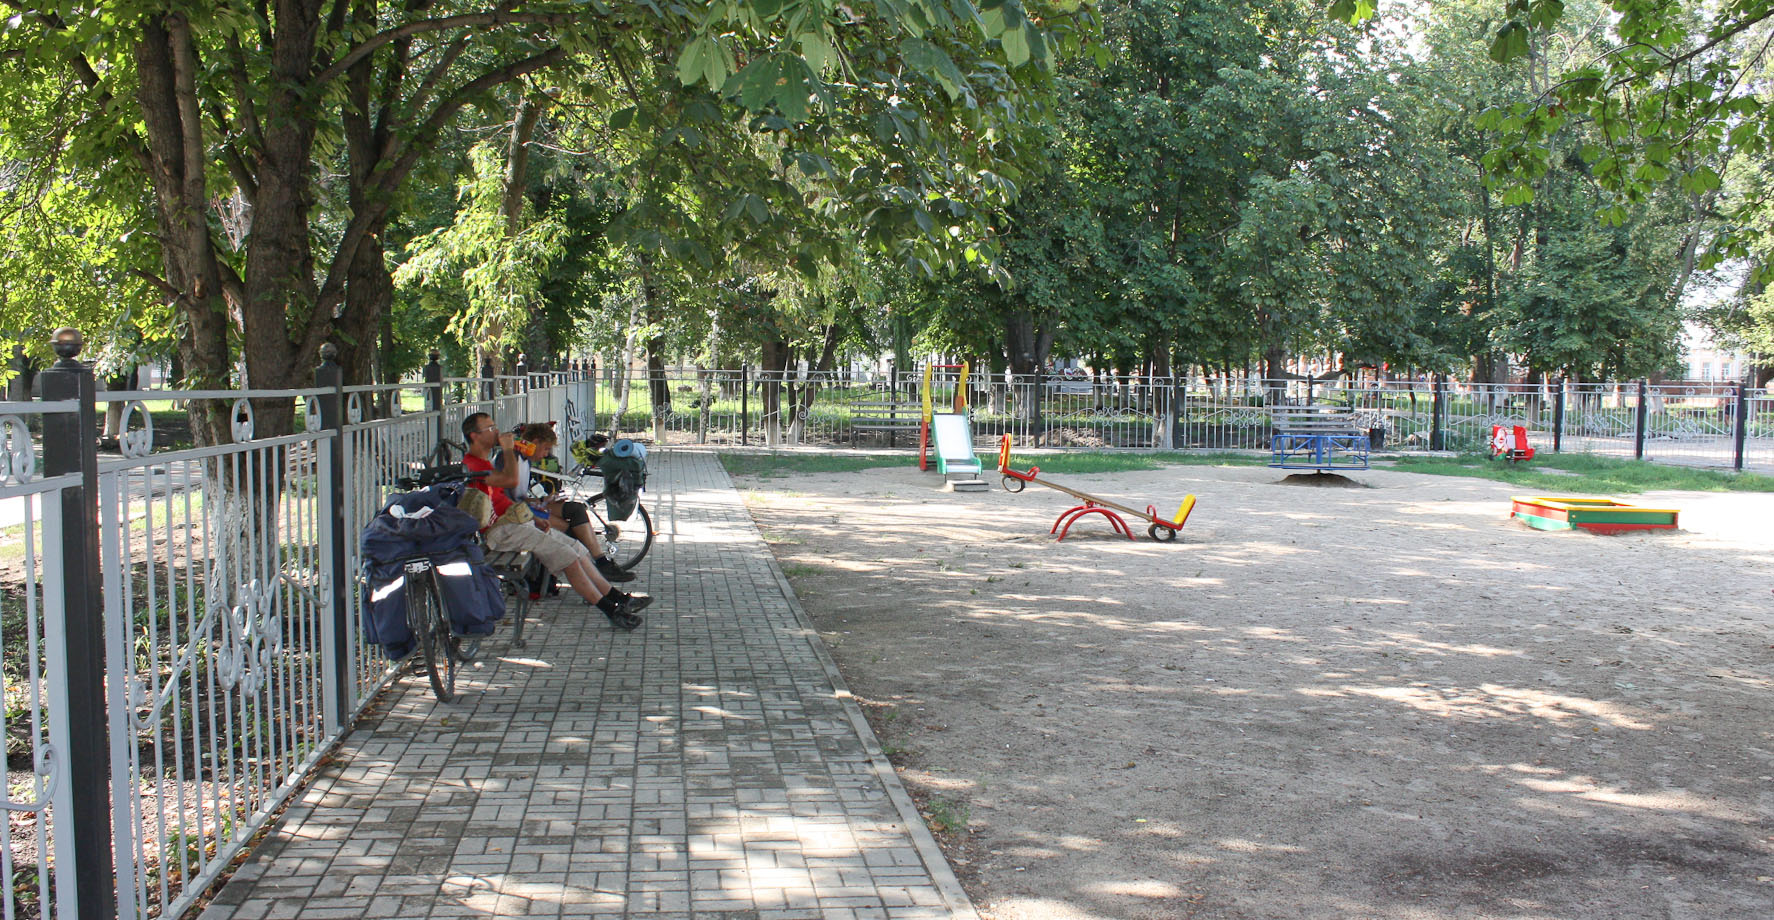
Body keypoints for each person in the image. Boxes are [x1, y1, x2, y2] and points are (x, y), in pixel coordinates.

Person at [460, 412, 649, 629]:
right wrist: (509, 449)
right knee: (567, 556)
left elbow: (503, 499)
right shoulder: (473, 466)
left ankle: (619, 598)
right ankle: (611, 610)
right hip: (501, 531)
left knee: (577, 548)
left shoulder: (484, 462)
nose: (496, 431)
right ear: (475, 436)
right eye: (490, 428)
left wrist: (533, 516)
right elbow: (510, 481)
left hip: (515, 522)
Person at [511, 422, 635, 585]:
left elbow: (521, 496)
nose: (546, 454)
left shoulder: (525, 461)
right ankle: (594, 572)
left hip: (528, 506)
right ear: (535, 442)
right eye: (546, 449)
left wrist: (544, 500)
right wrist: (538, 503)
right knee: (568, 528)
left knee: (576, 509)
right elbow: (511, 501)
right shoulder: (513, 460)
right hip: (519, 513)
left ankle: (601, 564)